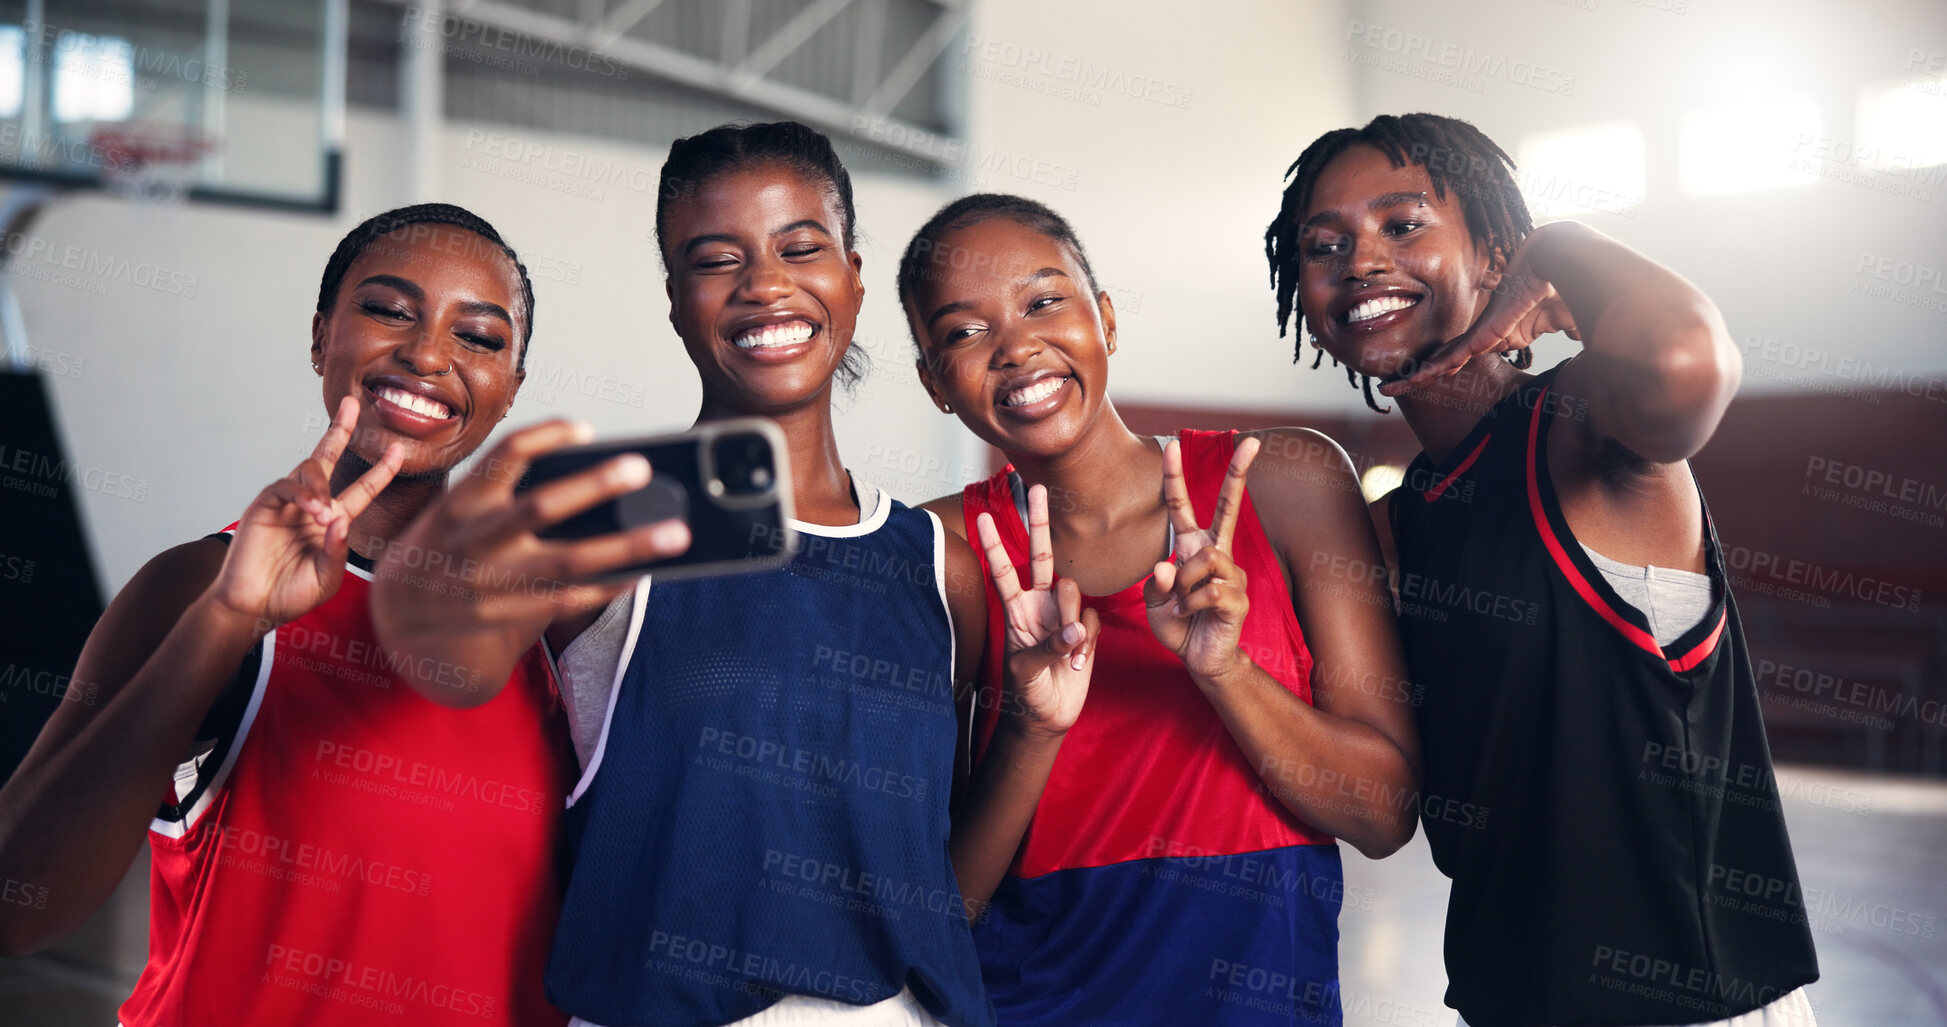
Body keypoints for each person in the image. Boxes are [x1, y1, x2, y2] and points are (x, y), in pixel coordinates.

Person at [370, 122, 1096, 1027]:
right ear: (675, 300)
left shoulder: (934, 563)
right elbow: (443, 653)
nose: (765, 283)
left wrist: (1031, 727)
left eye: (800, 246)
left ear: (853, 278)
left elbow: (932, 904)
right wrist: (438, 560)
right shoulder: (631, 506)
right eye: (717, 259)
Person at [1262, 112, 1820, 1026]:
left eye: (1402, 225)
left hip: (1685, 1004)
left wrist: (1561, 247)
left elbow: (1683, 360)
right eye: (1325, 246)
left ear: (1495, 257)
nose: (1359, 260)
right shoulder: (1399, 523)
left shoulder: (1581, 425)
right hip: (1509, 996)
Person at [0, 204, 591, 1025]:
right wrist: (228, 616)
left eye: (480, 338)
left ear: (511, 388)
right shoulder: (199, 583)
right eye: (389, 310)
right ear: (321, 338)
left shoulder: (556, 628)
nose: (427, 354)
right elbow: (17, 903)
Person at [896, 193, 1420, 1026]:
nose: (1016, 345)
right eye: (963, 332)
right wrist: (1031, 727)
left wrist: (1224, 669)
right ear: (932, 382)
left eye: (1043, 302)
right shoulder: (943, 548)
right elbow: (940, 906)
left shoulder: (1286, 480)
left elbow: (1382, 814)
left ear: (1103, 317)